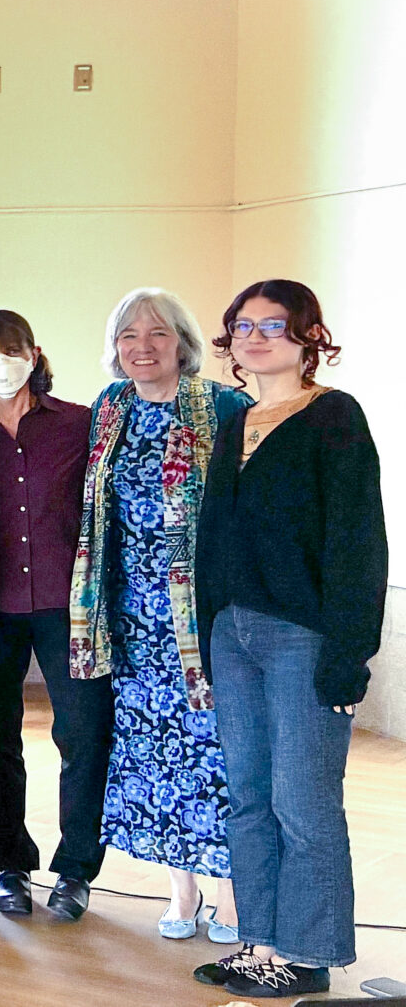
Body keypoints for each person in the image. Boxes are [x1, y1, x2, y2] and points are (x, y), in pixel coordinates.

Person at [192, 280, 385, 1000]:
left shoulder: (333, 416)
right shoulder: (235, 420)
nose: (256, 335)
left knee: (303, 802)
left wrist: (348, 656)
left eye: (274, 324)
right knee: (247, 797)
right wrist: (208, 634)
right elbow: (213, 539)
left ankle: (307, 954)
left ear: (309, 337)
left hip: (304, 638)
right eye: (243, 325)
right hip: (232, 634)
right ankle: (261, 942)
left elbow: (358, 541)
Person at [71, 287, 245, 942]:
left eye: (157, 334)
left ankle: (229, 896)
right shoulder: (110, 409)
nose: (142, 347)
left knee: (214, 752)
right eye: (128, 337)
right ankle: (182, 891)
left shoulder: (223, 408)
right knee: (152, 756)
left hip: (202, 618)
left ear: (182, 343)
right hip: (132, 618)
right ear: (116, 350)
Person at [0, 309, 106, 923]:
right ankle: (10, 865)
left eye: (11, 350)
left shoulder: (79, 423)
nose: (0, 362)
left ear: (35, 353)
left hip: (70, 607)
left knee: (84, 735)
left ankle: (76, 871)